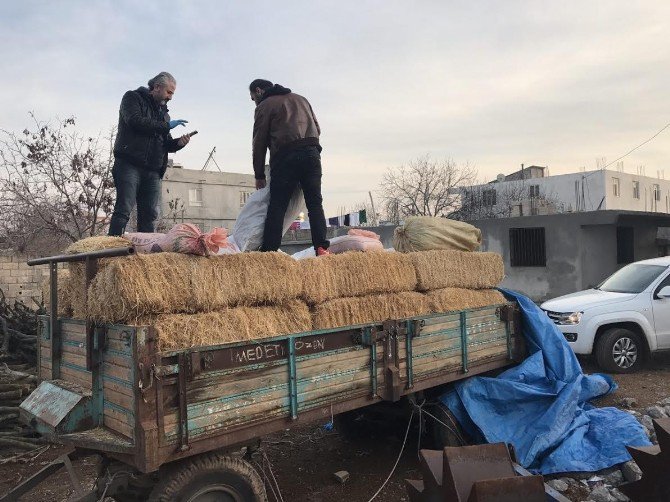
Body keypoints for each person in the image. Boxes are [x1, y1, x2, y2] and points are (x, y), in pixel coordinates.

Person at [249, 79, 330, 255]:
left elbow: (259, 142)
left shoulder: (265, 105)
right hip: (312, 152)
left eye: (252, 97)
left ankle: (269, 253)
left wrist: (259, 175)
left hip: (286, 156)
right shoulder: (301, 99)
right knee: (315, 202)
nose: (253, 101)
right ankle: (321, 247)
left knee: (278, 205)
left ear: (258, 91)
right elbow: (317, 128)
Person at [108, 72, 192, 235]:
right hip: (129, 164)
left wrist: (178, 143)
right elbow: (135, 121)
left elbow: (165, 143)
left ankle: (145, 254)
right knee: (124, 209)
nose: (171, 97)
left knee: (150, 216)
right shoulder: (132, 98)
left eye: (172, 93)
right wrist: (166, 126)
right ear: (157, 87)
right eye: (169, 92)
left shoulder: (164, 115)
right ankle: (112, 249)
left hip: (152, 171)